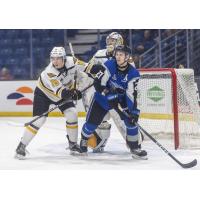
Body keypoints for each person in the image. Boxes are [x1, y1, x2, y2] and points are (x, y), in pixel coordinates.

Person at [15, 47, 85, 159]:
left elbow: (87, 67)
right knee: (39, 120)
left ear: (64, 58)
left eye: (58, 58)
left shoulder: (73, 61)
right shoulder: (49, 72)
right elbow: (62, 93)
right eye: (53, 58)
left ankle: (72, 144)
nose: (55, 61)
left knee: (72, 113)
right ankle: (21, 146)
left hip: (61, 92)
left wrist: (94, 68)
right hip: (44, 93)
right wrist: (74, 93)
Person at [79, 45, 147, 159]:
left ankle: (135, 148)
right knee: (91, 124)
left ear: (127, 57)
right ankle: (83, 140)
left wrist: (132, 111)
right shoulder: (109, 65)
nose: (118, 57)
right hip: (101, 100)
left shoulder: (133, 74)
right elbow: (98, 84)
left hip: (119, 101)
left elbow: (131, 95)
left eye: (121, 54)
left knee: (131, 121)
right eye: (117, 54)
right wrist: (108, 93)